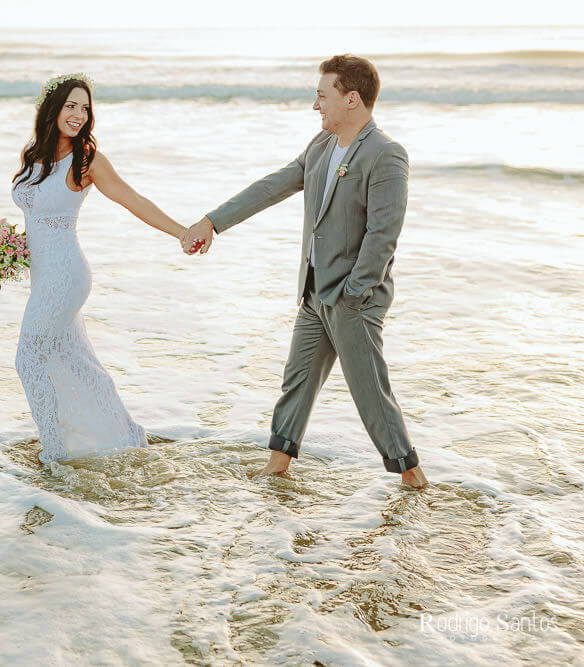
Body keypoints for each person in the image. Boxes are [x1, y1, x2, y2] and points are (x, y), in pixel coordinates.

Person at [181, 55, 429, 489]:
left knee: (370, 392)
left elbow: (383, 235)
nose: (316, 106)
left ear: (352, 99)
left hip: (353, 299)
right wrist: (212, 221)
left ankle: (412, 477)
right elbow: (271, 186)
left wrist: (353, 293)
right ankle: (277, 467)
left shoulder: (386, 155)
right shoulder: (319, 148)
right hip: (314, 294)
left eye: (322, 96)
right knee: (297, 380)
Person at [12, 73, 187, 465]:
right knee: (73, 361)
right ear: (52, 108)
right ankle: (120, 438)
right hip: (41, 275)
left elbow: (133, 200)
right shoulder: (32, 154)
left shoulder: (86, 159)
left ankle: (54, 455)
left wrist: (181, 231)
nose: (78, 115)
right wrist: (11, 248)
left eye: (85, 108)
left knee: (28, 356)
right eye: (71, 106)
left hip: (66, 275)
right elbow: (38, 214)